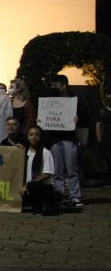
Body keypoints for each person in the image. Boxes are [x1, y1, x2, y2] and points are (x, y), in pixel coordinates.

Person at [48, 74, 89, 208]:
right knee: (58, 171)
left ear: (63, 85)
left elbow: (85, 118)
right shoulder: (50, 100)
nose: (53, 88)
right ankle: (59, 195)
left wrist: (79, 120)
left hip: (69, 139)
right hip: (55, 139)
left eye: (55, 85)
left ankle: (75, 196)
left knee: (72, 169)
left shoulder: (75, 100)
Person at [20, 125, 56, 215]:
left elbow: (47, 174)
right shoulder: (24, 152)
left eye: (37, 135)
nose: (34, 137)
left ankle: (44, 205)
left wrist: (28, 185)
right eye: (31, 135)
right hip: (26, 188)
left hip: (41, 187)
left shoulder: (46, 152)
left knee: (33, 185)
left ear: (41, 137)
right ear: (27, 137)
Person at [97, 89, 111, 187]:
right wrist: (99, 139)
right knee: (108, 160)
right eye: (108, 95)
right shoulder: (102, 111)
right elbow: (98, 125)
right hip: (106, 139)